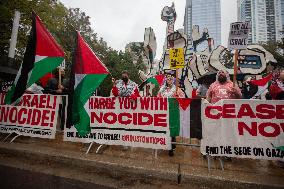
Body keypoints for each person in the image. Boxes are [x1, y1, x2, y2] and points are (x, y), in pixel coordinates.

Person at [157, 74, 185, 157]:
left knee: (172, 129)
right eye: (168, 79)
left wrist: (178, 97)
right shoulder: (162, 89)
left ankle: (171, 147)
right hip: (163, 112)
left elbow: (183, 98)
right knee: (164, 128)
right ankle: (165, 144)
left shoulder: (177, 89)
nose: (169, 80)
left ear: (173, 80)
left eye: (171, 79)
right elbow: (157, 98)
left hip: (173, 112)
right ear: (166, 80)